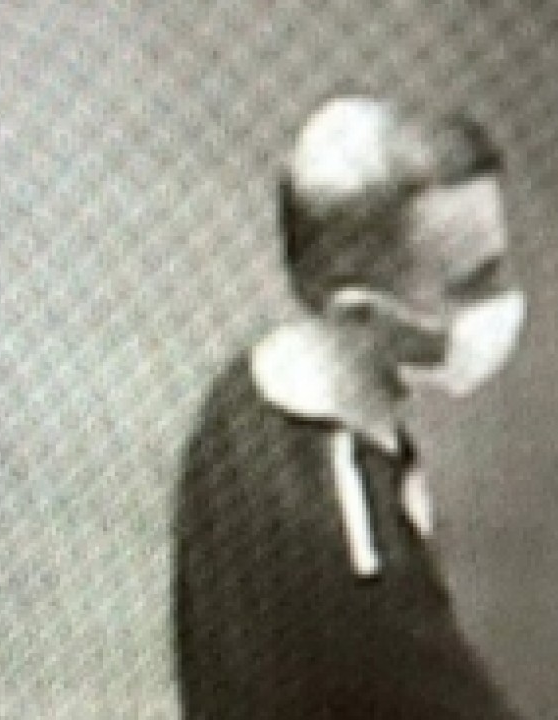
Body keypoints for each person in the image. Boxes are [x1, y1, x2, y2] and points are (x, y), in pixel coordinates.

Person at [175, 96, 527, 719]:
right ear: (360, 314)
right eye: (471, 284)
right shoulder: (363, 556)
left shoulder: (250, 389)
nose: (505, 300)